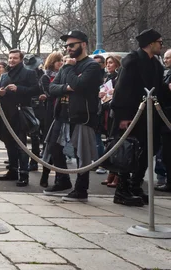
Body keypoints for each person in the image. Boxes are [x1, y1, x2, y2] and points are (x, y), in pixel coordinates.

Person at [111, 29, 171, 206]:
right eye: (159, 42)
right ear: (151, 43)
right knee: (129, 152)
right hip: (132, 116)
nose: (161, 45)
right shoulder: (133, 62)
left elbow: (158, 91)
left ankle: (135, 186)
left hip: (150, 117)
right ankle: (122, 190)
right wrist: (123, 116)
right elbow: (122, 91)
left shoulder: (156, 65)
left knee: (147, 152)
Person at [42, 31, 102, 202]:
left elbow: (80, 86)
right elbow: (52, 89)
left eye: (72, 45)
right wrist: (67, 87)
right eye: (67, 46)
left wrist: (69, 71)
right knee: (54, 147)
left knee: (81, 153)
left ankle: (81, 189)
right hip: (62, 114)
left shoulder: (91, 66)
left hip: (82, 115)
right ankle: (63, 181)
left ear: (83, 44)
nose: (68, 48)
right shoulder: (67, 66)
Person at [0, 49, 41, 187]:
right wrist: (0, 93)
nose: (11, 60)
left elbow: (36, 90)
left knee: (21, 145)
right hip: (5, 113)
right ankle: (12, 170)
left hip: (20, 113)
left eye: (15, 58)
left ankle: (24, 174)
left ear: (21, 59)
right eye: (10, 58)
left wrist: (18, 88)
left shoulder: (29, 73)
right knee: (8, 144)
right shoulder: (5, 75)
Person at [38, 51, 64, 188]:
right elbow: (51, 92)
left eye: (62, 60)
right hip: (50, 114)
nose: (61, 63)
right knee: (49, 146)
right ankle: (45, 174)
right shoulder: (45, 77)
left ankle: (60, 177)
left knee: (60, 147)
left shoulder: (64, 75)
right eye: (58, 60)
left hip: (63, 113)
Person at [99, 55, 122, 187]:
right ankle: (111, 172)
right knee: (110, 143)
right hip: (107, 112)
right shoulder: (108, 78)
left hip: (115, 114)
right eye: (107, 63)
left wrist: (115, 92)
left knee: (116, 145)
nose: (108, 65)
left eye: (111, 62)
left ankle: (117, 175)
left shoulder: (120, 78)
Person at [155, 49, 171, 192]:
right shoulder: (167, 74)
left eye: (168, 58)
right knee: (166, 153)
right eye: (165, 58)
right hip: (165, 116)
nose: (165, 61)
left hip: (169, 118)